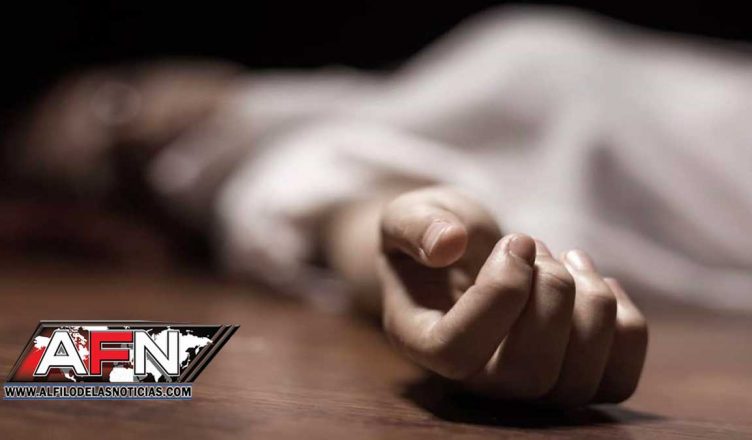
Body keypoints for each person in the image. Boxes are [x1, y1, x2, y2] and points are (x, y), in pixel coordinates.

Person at [6, 5, 752, 406]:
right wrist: (415, 257)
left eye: (120, 92)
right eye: (113, 150)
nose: (142, 118)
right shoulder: (267, 170)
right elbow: (341, 205)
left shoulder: (373, 92)